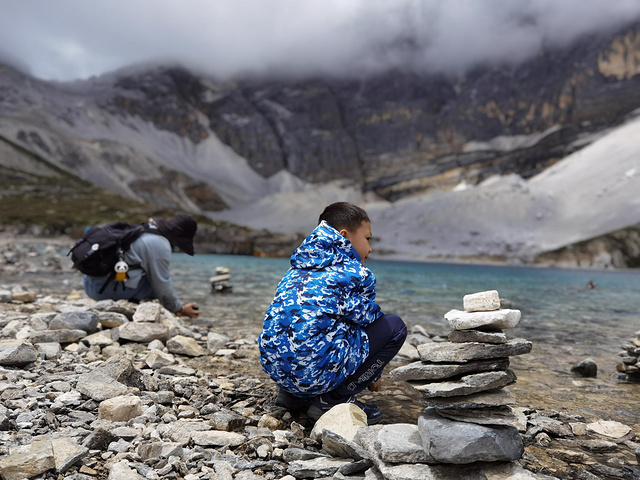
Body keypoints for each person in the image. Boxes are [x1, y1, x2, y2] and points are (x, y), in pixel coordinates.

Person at [258, 202, 407, 424]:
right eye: (367, 239)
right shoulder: (355, 273)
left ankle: (293, 397)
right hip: (312, 376)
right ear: (344, 236)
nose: (370, 248)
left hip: (278, 372)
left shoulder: (296, 269)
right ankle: (334, 399)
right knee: (395, 326)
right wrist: (374, 373)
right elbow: (368, 321)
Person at [82, 213, 200, 319]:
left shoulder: (143, 230)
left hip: (89, 285)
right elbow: (161, 284)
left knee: (148, 273)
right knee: (157, 280)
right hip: (104, 292)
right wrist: (178, 308)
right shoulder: (160, 244)